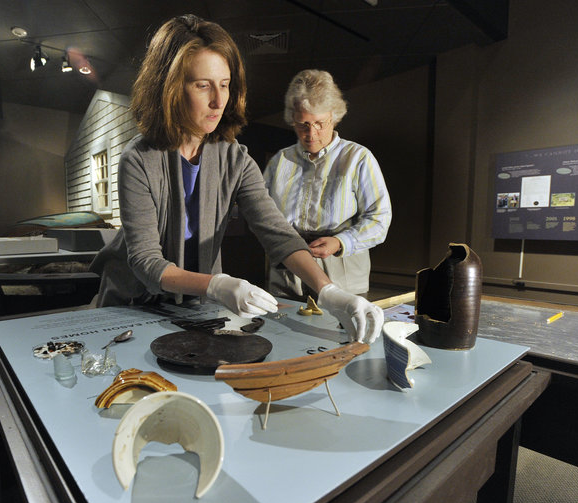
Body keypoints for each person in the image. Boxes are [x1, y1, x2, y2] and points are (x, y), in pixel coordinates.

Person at [89, 15, 383, 344]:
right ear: (169, 88)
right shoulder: (138, 159)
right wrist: (216, 284)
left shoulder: (235, 158)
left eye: (225, 84)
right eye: (203, 85)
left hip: (194, 304)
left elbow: (278, 234)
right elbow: (145, 261)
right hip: (130, 304)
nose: (218, 100)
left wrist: (329, 293)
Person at [263, 69, 392, 300]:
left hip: (341, 271)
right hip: (288, 270)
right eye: (303, 124)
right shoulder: (279, 161)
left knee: (337, 334)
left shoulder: (358, 158)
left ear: (334, 116)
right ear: (293, 120)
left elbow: (380, 220)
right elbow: (262, 215)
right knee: (282, 332)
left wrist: (341, 242)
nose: (311, 134)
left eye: (320, 123)